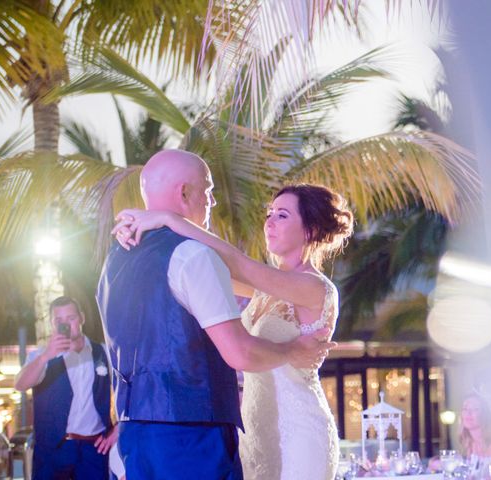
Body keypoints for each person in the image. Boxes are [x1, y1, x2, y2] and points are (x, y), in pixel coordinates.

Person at [97, 149, 334, 480]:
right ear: (185, 192)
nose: (269, 221)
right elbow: (239, 333)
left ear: (310, 230)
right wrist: (169, 222)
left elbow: (241, 267)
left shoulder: (117, 259)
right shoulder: (194, 258)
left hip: (145, 427)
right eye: (208, 192)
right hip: (202, 432)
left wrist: (168, 220)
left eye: (282, 215)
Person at [15, 296, 116, 480]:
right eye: (59, 320)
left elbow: (129, 389)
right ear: (52, 324)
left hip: (93, 447)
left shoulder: (103, 352)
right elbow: (20, 384)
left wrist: (118, 430)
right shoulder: (40, 356)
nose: (66, 324)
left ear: (82, 318)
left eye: (71, 318)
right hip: (53, 449)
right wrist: (46, 356)